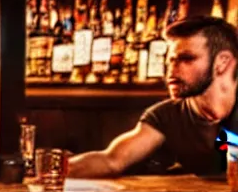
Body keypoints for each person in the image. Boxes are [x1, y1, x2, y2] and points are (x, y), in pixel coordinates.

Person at [69, 16, 238, 178]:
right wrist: (54, 169)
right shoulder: (166, 115)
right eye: (170, 60)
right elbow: (112, 161)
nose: (172, 70)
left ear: (222, 62)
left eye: (186, 59)